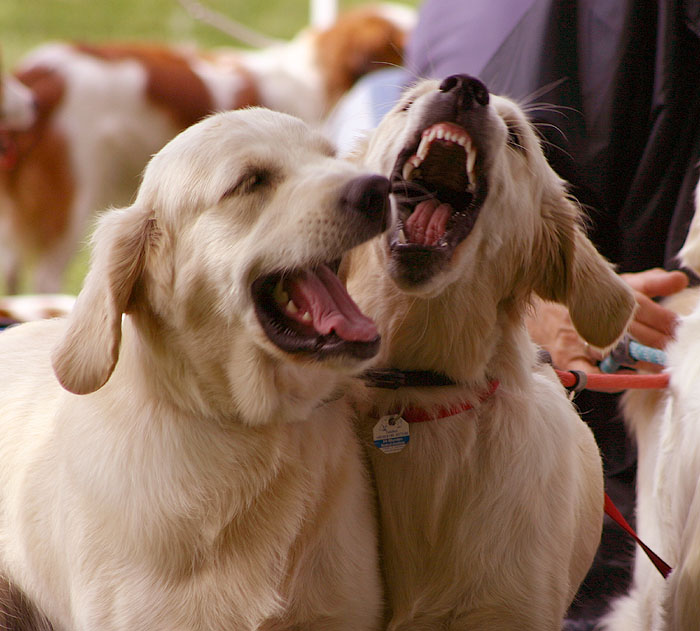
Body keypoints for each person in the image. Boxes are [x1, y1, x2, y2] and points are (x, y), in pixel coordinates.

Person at [326, 1, 700, 628]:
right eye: (411, 100)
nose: (462, 94)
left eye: (520, 135)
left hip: (556, 445)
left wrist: (559, 284)